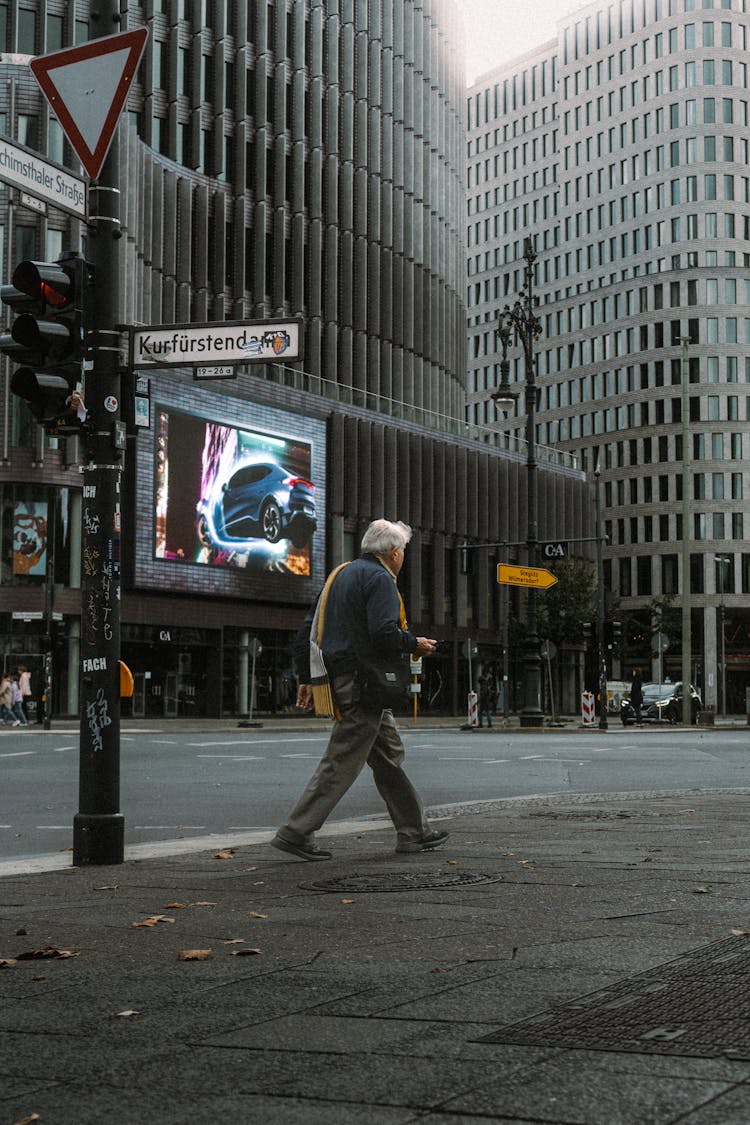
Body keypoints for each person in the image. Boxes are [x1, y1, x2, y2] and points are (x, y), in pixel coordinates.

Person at [272, 519, 448, 861]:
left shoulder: (340, 575)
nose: (403, 558)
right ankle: (296, 831)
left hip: (342, 679)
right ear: (394, 552)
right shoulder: (381, 578)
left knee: (388, 756)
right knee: (342, 759)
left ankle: (414, 831)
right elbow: (383, 632)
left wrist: (306, 678)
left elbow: (307, 630)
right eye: (403, 552)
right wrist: (415, 644)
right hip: (365, 683)